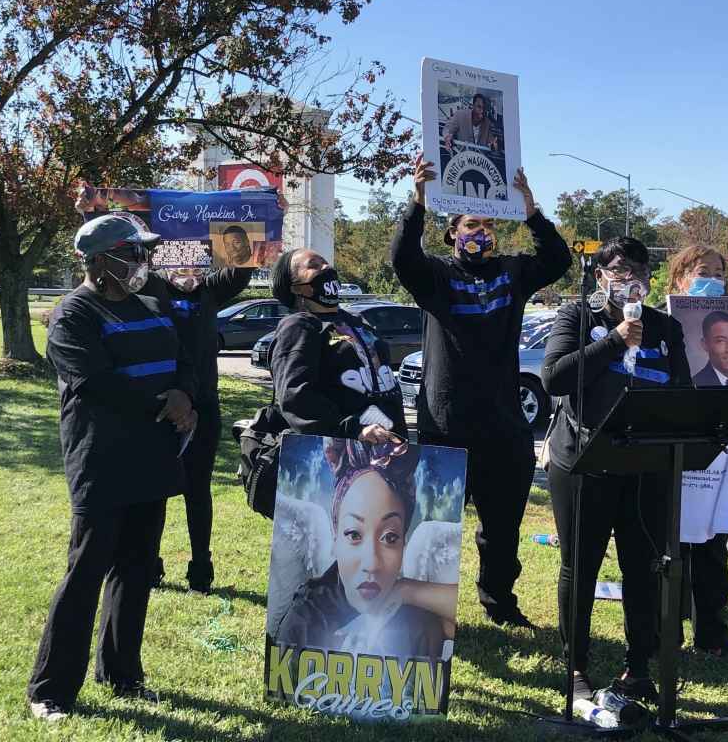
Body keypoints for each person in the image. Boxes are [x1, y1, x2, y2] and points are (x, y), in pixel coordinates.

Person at [27, 214, 198, 720]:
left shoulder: (151, 305)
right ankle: (50, 690)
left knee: (137, 568)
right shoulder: (73, 314)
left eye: (143, 253)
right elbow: (95, 383)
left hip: (153, 458)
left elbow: (185, 358)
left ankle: (122, 673)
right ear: (99, 261)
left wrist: (185, 394)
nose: (142, 263)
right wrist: (163, 404)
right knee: (86, 572)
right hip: (102, 461)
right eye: (132, 253)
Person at [391, 154, 572, 629]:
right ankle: (425, 613)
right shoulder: (435, 276)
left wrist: (531, 211)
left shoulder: (512, 273)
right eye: (473, 223)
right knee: (434, 525)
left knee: (502, 528)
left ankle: (500, 605)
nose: (482, 233)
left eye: (489, 224)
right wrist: (418, 202)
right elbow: (401, 258)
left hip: (505, 425)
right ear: (453, 232)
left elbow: (558, 260)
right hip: (446, 424)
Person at [542, 235, 690, 719]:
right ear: (600, 276)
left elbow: (682, 393)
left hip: (645, 467)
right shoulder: (577, 318)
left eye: (639, 271)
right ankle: (575, 666)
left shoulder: (666, 328)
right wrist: (614, 340)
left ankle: (637, 666)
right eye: (618, 270)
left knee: (643, 569)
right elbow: (556, 379)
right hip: (583, 463)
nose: (630, 280)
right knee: (579, 567)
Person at [274, 439, 455, 662]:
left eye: (390, 537)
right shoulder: (302, 623)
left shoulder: (418, 624)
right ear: (335, 539)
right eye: (354, 535)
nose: (371, 563)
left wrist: (406, 590)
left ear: (403, 545)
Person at [140, 262, 253, 594]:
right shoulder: (152, 286)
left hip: (204, 404)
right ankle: (149, 565)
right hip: (162, 403)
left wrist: (262, 214)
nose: (188, 270)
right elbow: (115, 258)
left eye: (197, 263)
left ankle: (201, 571)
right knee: (154, 490)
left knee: (198, 491)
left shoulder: (210, 290)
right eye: (180, 261)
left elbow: (242, 267)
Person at [663, 243, 728, 656]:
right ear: (681, 278)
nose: (713, 279)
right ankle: (669, 630)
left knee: (713, 547)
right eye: (703, 270)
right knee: (672, 545)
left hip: (726, 456)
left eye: (719, 271)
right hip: (676, 454)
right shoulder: (662, 324)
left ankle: (713, 634)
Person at [265, 248, 406, 444]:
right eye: (313, 265)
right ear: (296, 287)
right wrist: (351, 430)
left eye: (326, 262)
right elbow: (296, 396)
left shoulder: (356, 321)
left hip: (389, 442)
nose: (327, 267)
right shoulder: (299, 326)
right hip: (343, 448)